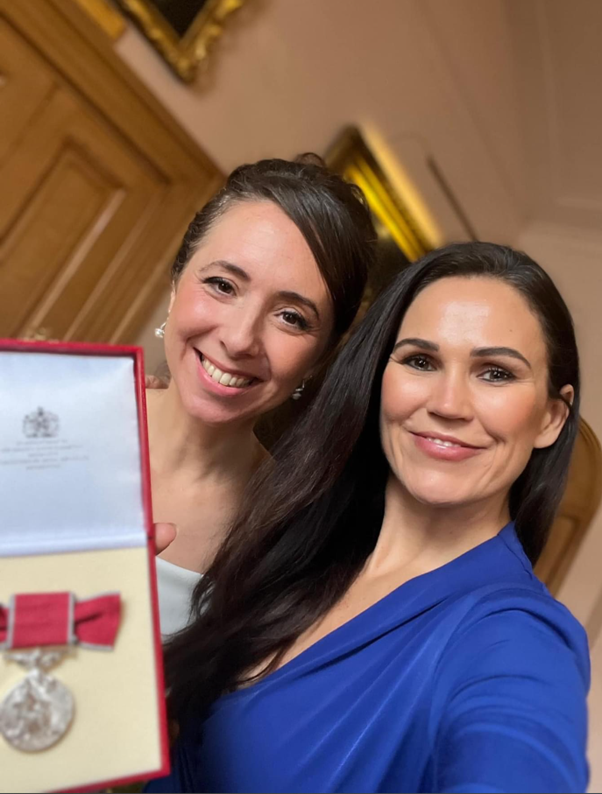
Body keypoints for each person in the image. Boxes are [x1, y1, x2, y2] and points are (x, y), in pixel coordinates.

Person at [152, 242, 590, 793]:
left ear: (551, 417)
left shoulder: (515, 637)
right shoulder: (298, 541)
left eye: (495, 373)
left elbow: (519, 751)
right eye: (421, 361)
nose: (448, 403)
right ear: (379, 379)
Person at [148, 155, 375, 636]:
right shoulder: (47, 415)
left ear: (319, 357)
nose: (239, 339)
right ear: (175, 284)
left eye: (292, 316)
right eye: (222, 285)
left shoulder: (292, 544)